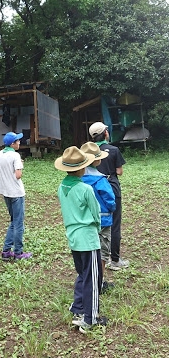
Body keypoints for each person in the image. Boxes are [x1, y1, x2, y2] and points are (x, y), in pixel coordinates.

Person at [55, 145, 107, 333]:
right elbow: (95, 214)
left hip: (73, 237)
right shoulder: (85, 189)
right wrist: (98, 228)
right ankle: (91, 318)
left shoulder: (61, 187)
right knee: (92, 278)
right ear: (81, 168)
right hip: (88, 238)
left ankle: (78, 308)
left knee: (82, 274)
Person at [89, 122, 128, 270]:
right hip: (111, 189)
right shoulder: (113, 150)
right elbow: (119, 171)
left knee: (96, 222)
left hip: (92, 190)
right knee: (114, 224)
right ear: (105, 133)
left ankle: (96, 257)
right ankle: (115, 260)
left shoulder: (89, 151)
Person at [80, 142, 116, 293]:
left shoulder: (79, 179)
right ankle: (99, 283)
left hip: (84, 222)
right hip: (103, 220)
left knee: (89, 252)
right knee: (102, 252)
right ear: (97, 160)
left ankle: (89, 280)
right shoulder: (101, 180)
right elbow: (111, 201)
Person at [0, 131, 32, 261]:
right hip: (16, 192)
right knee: (19, 223)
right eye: (17, 141)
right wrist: (20, 166)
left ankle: (6, 250)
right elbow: (18, 175)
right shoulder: (15, 155)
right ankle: (18, 252)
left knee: (13, 221)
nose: (19, 142)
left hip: (6, 192)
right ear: (13, 144)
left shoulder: (1, 153)